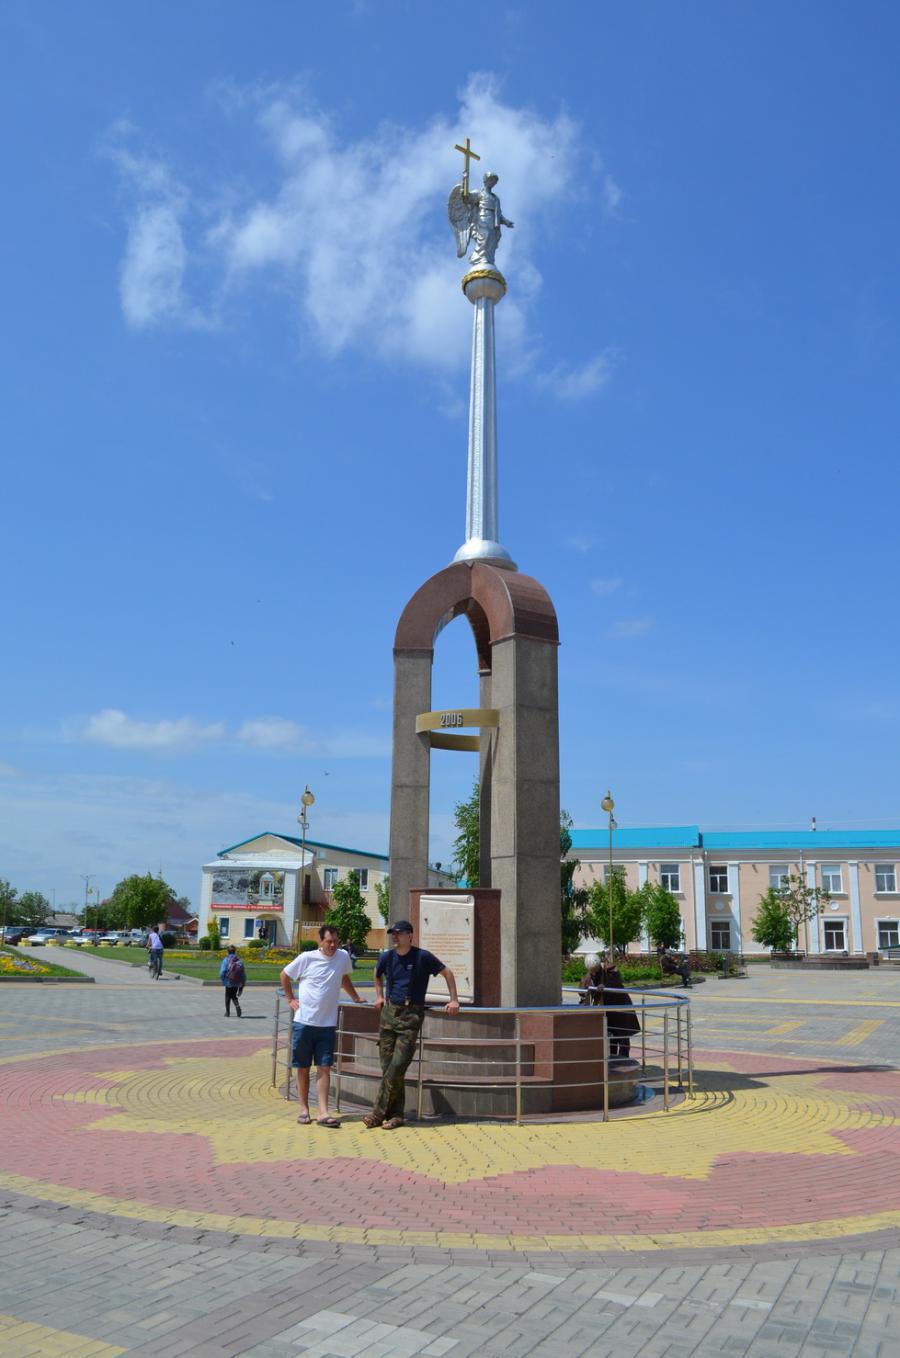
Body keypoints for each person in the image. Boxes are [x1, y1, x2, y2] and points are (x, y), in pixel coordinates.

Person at [363, 920, 459, 1131]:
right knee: (389, 1069)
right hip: (389, 1015)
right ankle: (397, 1116)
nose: (394, 937)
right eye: (393, 934)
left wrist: (454, 1000)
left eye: (398, 933)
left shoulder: (422, 957)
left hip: (410, 1017)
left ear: (410, 936)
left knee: (397, 1067)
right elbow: (377, 975)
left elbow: (448, 973)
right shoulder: (387, 956)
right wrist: (379, 996)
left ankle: (377, 1113)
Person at [280, 924, 365, 1128]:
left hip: (327, 1024)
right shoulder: (307, 958)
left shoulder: (343, 956)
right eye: (329, 941)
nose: (333, 945)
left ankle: (323, 1111)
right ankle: (303, 1109)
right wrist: (291, 999)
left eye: (336, 941)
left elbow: (344, 976)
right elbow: (284, 975)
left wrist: (355, 997)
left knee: (324, 1067)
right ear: (321, 941)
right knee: (302, 1067)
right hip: (304, 1022)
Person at [584, 954, 640, 1058]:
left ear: (598, 965)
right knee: (611, 1033)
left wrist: (605, 986)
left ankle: (624, 1059)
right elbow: (584, 989)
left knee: (623, 1034)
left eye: (595, 969)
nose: (593, 971)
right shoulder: (590, 974)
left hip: (620, 1005)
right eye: (591, 969)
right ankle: (613, 1058)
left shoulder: (610, 969)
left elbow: (616, 983)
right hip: (608, 1008)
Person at [220, 945, 246, 1017]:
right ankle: (237, 1005)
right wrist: (242, 983)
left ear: (227, 952)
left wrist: (222, 979)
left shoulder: (226, 960)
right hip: (237, 981)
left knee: (227, 996)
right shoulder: (239, 960)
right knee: (233, 995)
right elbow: (243, 973)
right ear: (235, 951)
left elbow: (222, 971)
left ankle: (227, 1012)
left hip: (228, 980)